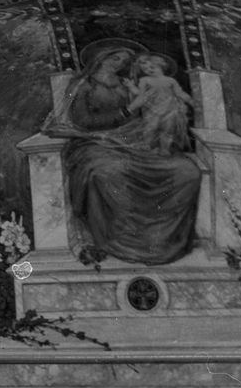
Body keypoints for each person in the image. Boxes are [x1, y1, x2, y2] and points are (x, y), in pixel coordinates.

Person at [49, 43, 203, 265]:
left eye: (124, 61)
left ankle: (163, 240)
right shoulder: (84, 85)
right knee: (107, 172)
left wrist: (157, 118)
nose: (120, 64)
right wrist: (127, 110)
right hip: (94, 143)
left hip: (133, 141)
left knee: (186, 171)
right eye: (116, 58)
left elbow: (144, 114)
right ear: (102, 57)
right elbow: (83, 122)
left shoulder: (125, 84)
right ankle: (118, 239)